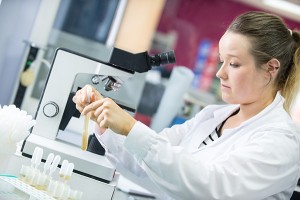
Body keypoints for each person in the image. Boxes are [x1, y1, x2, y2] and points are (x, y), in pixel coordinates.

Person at [73, 11, 300, 200]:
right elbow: (150, 165)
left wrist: (130, 128)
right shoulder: (213, 116)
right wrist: (105, 121)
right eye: (222, 62)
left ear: (270, 69)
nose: (221, 73)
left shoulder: (281, 142)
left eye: (234, 64)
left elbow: (211, 187)